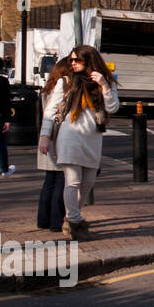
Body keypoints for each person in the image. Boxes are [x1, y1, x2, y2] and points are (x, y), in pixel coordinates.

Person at [37, 45, 119, 241]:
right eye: (71, 60)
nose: (72, 63)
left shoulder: (106, 82)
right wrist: (45, 135)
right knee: (72, 181)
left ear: (89, 60)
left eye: (77, 60)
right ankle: (75, 221)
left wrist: (104, 86)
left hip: (93, 137)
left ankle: (70, 216)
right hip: (69, 134)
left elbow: (113, 108)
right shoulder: (65, 82)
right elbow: (50, 111)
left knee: (88, 183)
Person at [36, 58, 73, 232]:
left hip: (46, 138)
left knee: (49, 182)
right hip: (58, 138)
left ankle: (43, 219)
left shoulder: (46, 89)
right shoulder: (64, 89)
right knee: (61, 182)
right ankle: (56, 221)